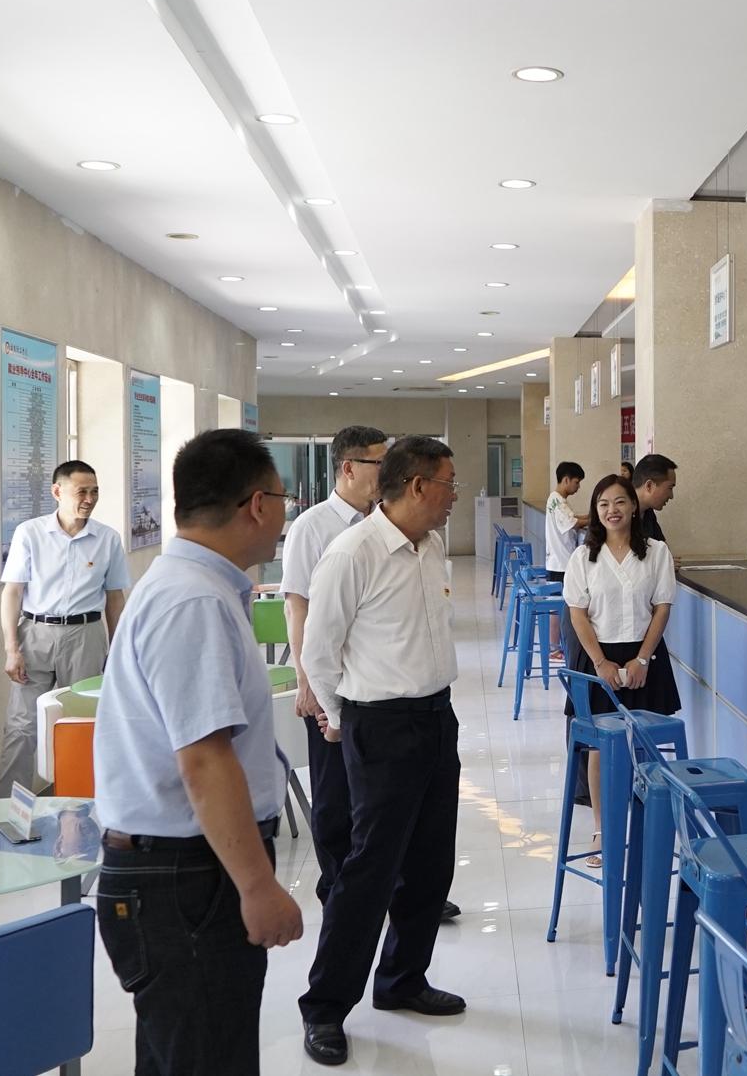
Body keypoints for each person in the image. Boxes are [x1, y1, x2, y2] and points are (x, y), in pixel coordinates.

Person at [92, 430, 304, 1075]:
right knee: (207, 1055)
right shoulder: (192, 600)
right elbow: (205, 760)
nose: (285, 513)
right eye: (282, 499)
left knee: (186, 1054)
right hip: (184, 878)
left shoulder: (196, 587)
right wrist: (257, 885)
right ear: (257, 505)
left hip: (184, 869)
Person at [298, 437, 465, 1066]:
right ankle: (324, 1007)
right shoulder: (353, 553)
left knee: (430, 864)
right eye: (448, 483)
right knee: (368, 871)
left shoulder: (432, 546)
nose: (454, 496)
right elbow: (318, 650)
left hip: (436, 717)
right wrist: (341, 721)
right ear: (418, 486)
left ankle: (401, 979)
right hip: (381, 726)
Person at [281, 426, 413, 912]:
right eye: (381, 463)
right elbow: (297, 607)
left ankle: (391, 888)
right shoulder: (312, 527)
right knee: (335, 796)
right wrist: (307, 683)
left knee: (382, 796)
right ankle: (340, 890)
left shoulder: (387, 522)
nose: (390, 472)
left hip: (378, 683)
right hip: (331, 681)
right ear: (349, 468)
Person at [562, 474, 679, 865]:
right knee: (601, 746)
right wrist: (600, 662)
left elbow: (662, 607)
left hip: (644, 656)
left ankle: (648, 830)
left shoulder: (656, 552)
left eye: (619, 502)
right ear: (595, 511)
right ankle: (603, 829)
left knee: (645, 744)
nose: (611, 510)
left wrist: (643, 659)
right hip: (599, 658)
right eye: (603, 504)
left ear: (633, 506)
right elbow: (578, 614)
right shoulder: (584, 556)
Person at [0, 459, 130, 795]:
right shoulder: (30, 533)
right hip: (35, 636)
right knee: (21, 728)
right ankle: (9, 812)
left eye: (95, 491)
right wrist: (12, 649)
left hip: (86, 637)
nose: (90, 499)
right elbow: (13, 592)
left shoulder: (107, 539)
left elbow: (115, 598)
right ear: (57, 492)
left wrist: (118, 651)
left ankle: (82, 806)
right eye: (81, 491)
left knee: (83, 724)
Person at [543, 460, 590, 662]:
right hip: (560, 564)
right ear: (566, 480)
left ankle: (556, 646)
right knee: (559, 609)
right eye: (577, 482)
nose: (578, 487)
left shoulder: (557, 500)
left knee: (559, 607)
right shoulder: (557, 501)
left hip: (558, 561)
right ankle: (554, 648)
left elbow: (573, 518)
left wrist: (588, 516)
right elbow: (573, 523)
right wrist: (595, 518)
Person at [632, 453, 678, 545]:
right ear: (649, 486)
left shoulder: (648, 512)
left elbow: (663, 548)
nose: (671, 496)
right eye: (670, 488)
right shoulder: (620, 517)